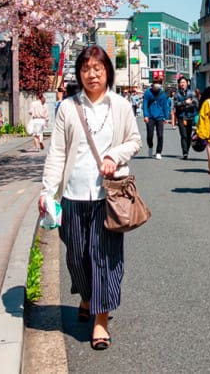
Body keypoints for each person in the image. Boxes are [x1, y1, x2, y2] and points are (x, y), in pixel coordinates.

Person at [39, 45, 140, 351]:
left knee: (103, 258)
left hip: (107, 197)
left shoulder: (120, 106)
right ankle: (86, 296)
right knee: (77, 258)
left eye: (98, 68)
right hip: (72, 195)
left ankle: (101, 320)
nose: (92, 74)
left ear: (107, 71)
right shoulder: (68, 108)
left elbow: (134, 140)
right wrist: (47, 191)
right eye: (86, 69)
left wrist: (113, 155)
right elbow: (56, 153)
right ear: (79, 74)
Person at [142, 75, 170, 159]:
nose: (157, 84)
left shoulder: (162, 94)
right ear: (153, 83)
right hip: (150, 116)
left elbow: (165, 106)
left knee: (160, 135)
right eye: (156, 83)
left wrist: (166, 117)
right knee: (150, 135)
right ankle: (150, 147)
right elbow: (145, 104)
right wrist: (146, 115)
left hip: (160, 117)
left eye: (159, 83)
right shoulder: (148, 92)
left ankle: (158, 152)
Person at [172, 76, 198, 159]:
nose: (182, 84)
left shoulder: (192, 93)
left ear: (187, 83)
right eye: (181, 82)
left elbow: (195, 103)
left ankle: (187, 149)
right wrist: (185, 102)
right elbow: (176, 104)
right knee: (183, 135)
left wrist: (186, 105)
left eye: (184, 82)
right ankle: (185, 152)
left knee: (188, 135)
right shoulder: (177, 94)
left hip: (189, 116)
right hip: (180, 117)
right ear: (179, 84)